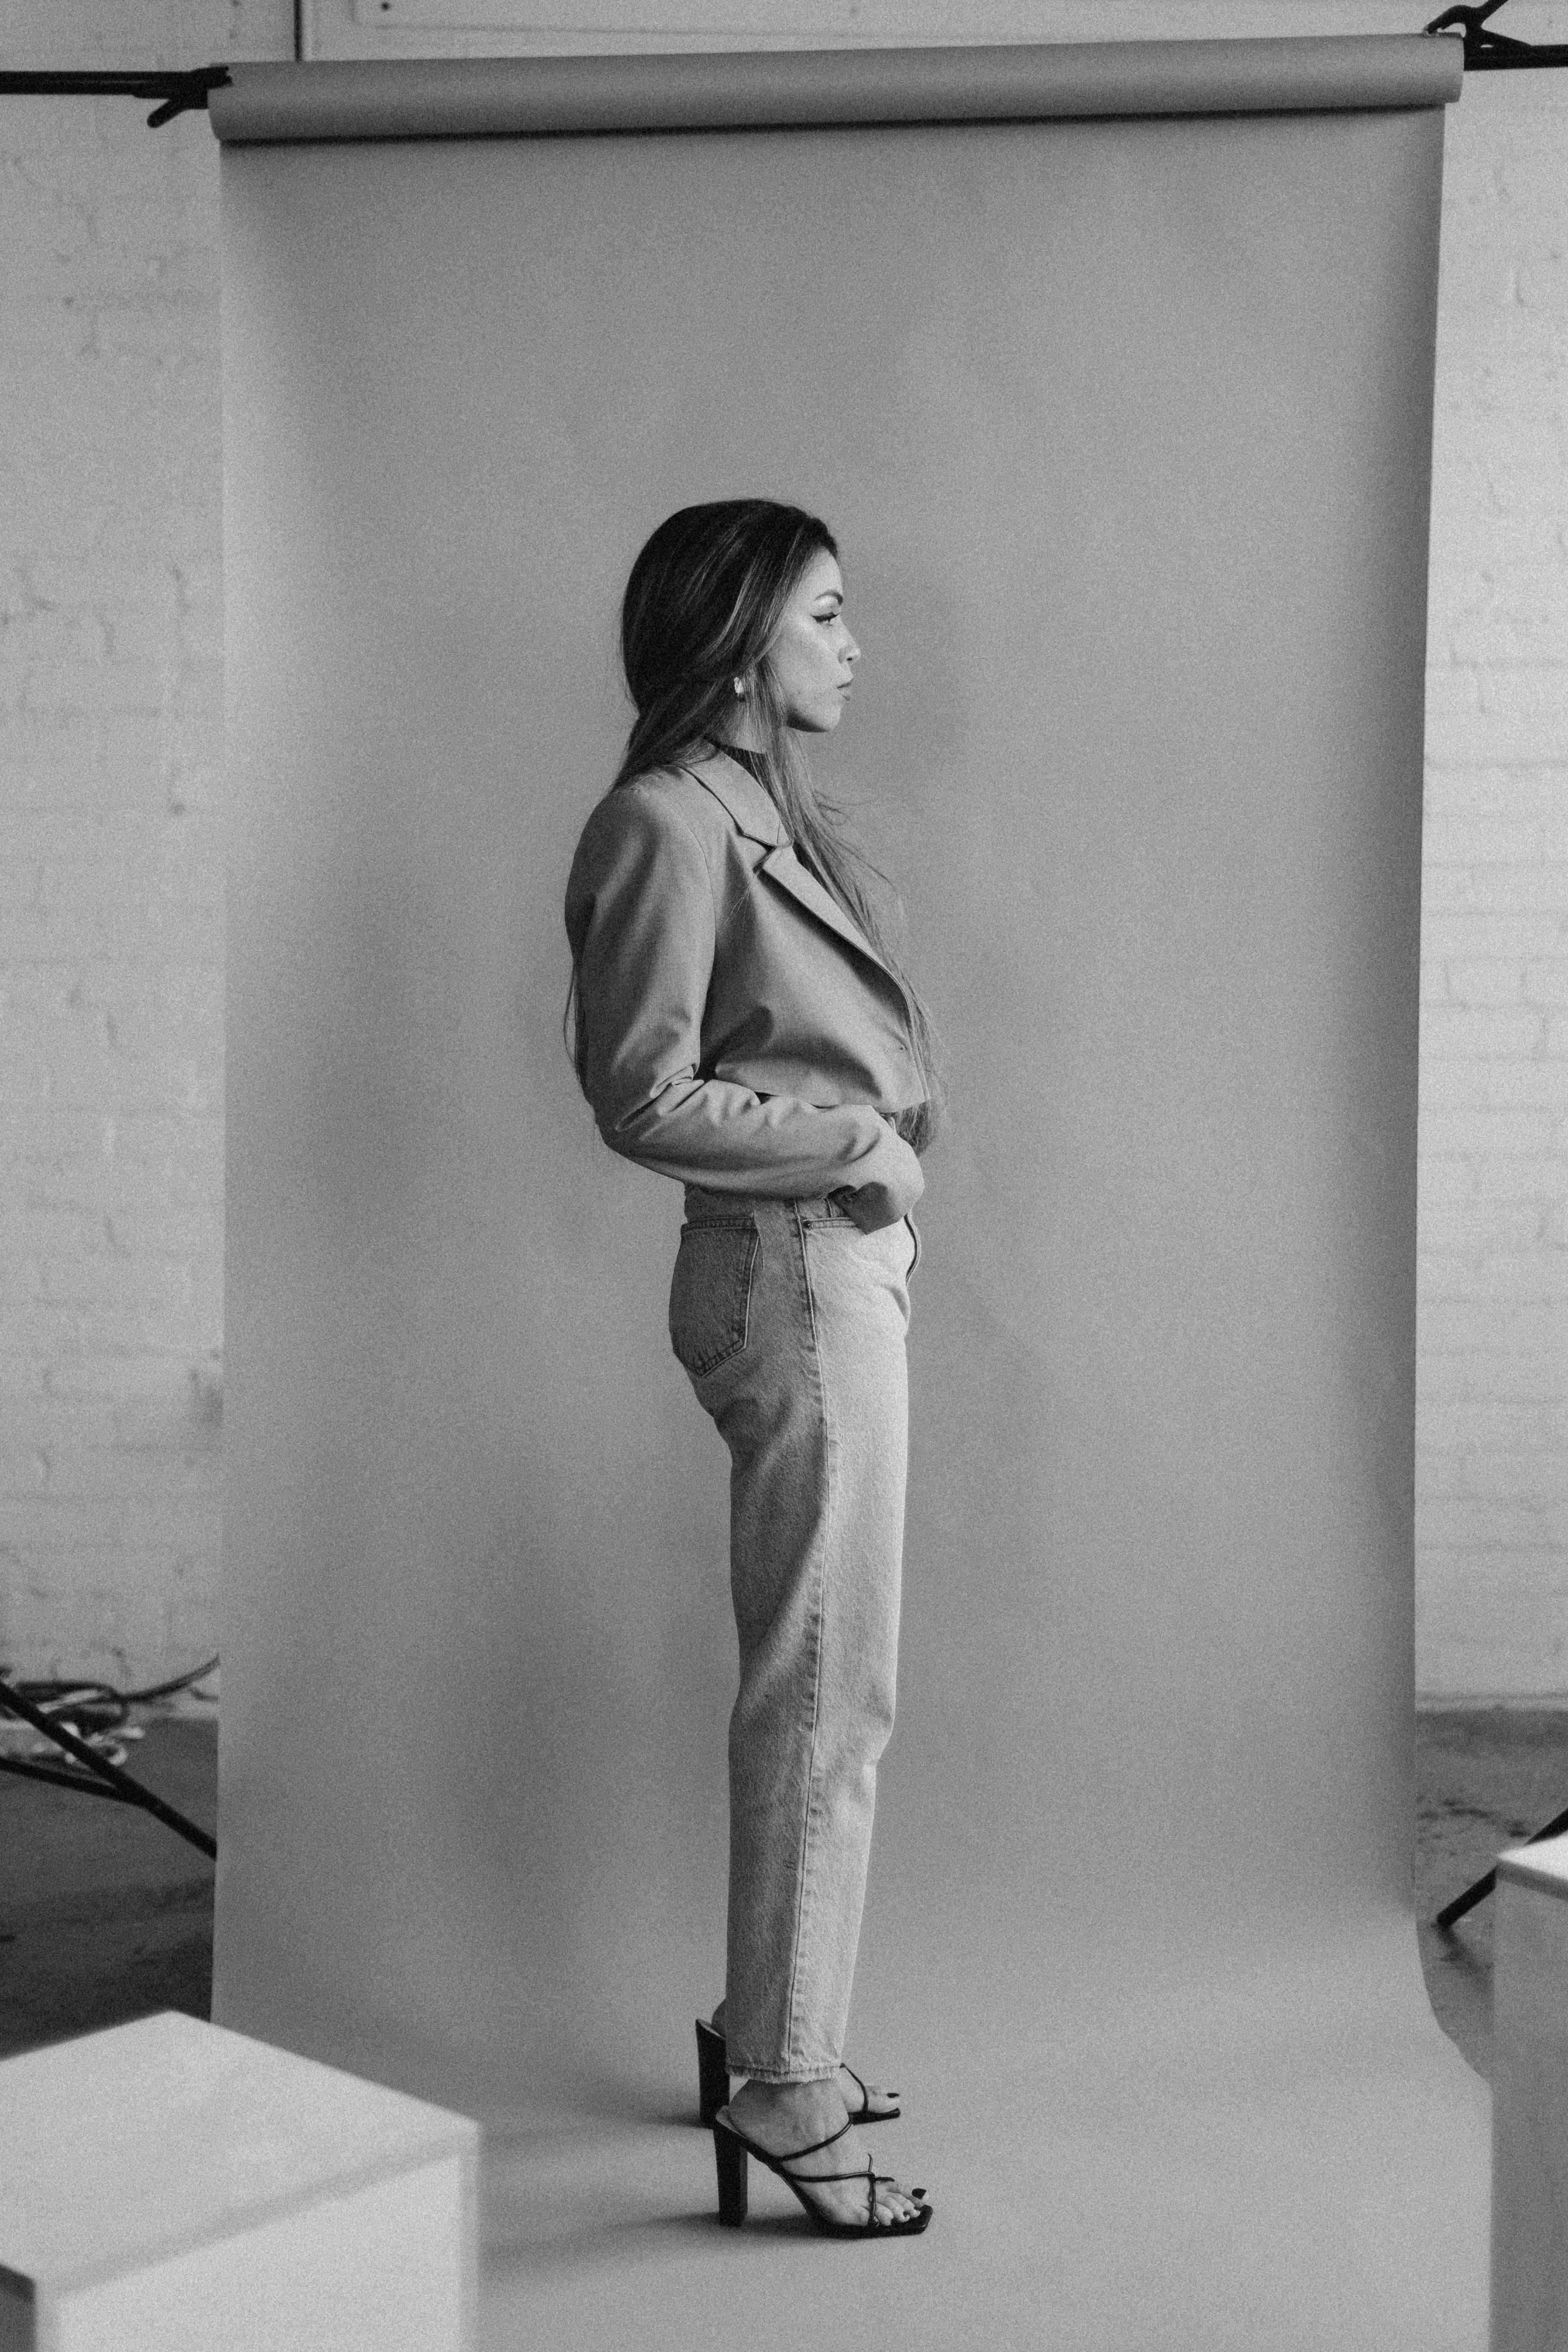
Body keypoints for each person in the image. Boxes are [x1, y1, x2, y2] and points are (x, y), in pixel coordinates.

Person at [563, 499, 941, 2240]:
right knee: (826, 1696)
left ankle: (763, 2034)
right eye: (829, 616)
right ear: (741, 641)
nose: (854, 645)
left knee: (830, 1684)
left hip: (831, 1264)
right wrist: (859, 1133)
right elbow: (642, 1091)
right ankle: (789, 2077)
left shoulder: (752, 806)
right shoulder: (663, 820)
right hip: (790, 1274)